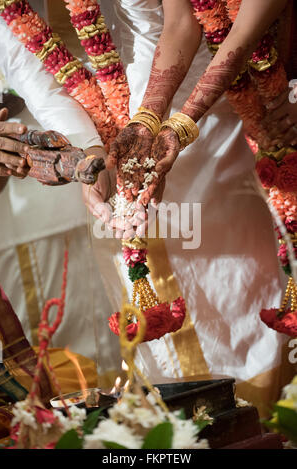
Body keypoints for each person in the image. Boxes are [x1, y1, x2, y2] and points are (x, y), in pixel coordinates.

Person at [85, 0, 296, 416]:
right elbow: (181, 20)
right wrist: (148, 122)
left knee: (256, 267)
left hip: (262, 87)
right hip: (176, 94)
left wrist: (179, 127)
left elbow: (250, 24)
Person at [0, 1, 122, 387]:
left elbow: (27, 62)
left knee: (99, 334)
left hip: (70, 141)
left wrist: (90, 149)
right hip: (18, 201)